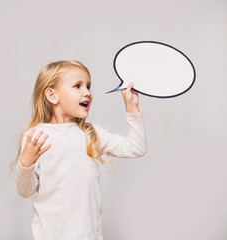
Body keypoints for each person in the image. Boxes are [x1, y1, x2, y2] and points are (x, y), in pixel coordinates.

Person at [15, 60, 146, 240]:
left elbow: (135, 148)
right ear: (52, 95)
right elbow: (25, 191)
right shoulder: (36, 137)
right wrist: (26, 162)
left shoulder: (91, 134)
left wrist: (132, 109)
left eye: (88, 86)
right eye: (78, 86)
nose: (87, 93)